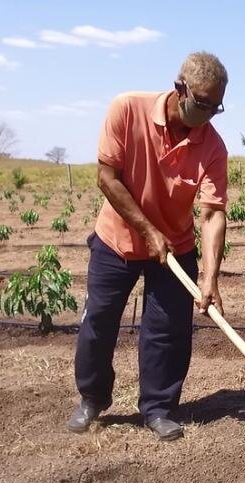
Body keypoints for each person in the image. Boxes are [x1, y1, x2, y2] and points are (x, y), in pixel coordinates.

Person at [67, 52, 229, 440]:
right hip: (116, 240)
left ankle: (158, 408)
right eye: (202, 104)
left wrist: (210, 278)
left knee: (168, 331)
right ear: (180, 89)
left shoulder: (213, 146)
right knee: (99, 322)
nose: (209, 114)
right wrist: (146, 229)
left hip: (174, 247)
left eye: (216, 107)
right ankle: (92, 398)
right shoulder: (126, 109)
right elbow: (107, 178)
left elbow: (212, 215)